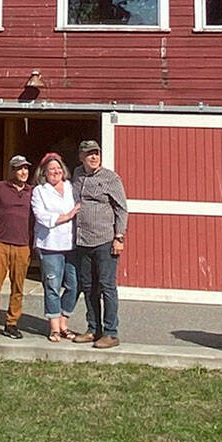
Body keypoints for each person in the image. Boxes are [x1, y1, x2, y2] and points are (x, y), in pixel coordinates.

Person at [71, 139, 127, 349]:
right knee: (89, 287)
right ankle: (93, 329)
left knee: (107, 287)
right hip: (83, 241)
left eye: (96, 153)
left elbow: (121, 208)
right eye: (89, 154)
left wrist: (119, 237)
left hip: (105, 240)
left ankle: (111, 333)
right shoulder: (77, 175)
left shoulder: (110, 178)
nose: (94, 157)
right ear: (81, 157)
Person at [0, 154, 35, 340]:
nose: (23, 172)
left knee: (18, 287)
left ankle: (11, 323)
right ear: (11, 170)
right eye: (20, 168)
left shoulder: (32, 191)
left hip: (22, 245)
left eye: (26, 168)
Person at [31, 152, 80, 342]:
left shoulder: (70, 187)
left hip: (71, 244)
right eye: (51, 169)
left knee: (74, 285)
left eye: (58, 168)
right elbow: (42, 217)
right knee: (52, 285)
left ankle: (63, 322)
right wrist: (68, 216)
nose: (56, 171)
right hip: (49, 245)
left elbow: (81, 207)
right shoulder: (39, 191)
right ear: (44, 172)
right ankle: (54, 328)